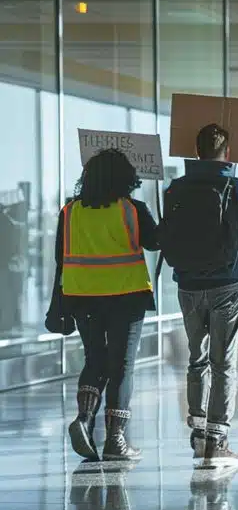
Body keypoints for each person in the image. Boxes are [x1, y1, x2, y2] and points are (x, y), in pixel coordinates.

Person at [161, 123, 238, 468]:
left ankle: (197, 437)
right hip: (228, 283)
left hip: (188, 285)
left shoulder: (175, 189)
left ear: (196, 152)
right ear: (228, 153)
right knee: (224, 363)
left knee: (197, 358)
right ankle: (216, 443)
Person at [58, 149, 158, 461]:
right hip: (126, 297)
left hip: (83, 296)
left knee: (95, 360)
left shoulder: (70, 212)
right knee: (121, 366)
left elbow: (59, 261)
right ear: (124, 177)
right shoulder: (132, 209)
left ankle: (84, 419)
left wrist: (56, 305)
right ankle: (115, 439)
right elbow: (156, 241)